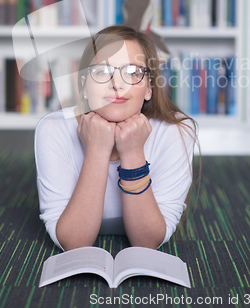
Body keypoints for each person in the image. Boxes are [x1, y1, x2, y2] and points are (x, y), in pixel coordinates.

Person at [34, 25, 199, 252]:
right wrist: (97, 151)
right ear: (83, 86)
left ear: (149, 88)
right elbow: (74, 242)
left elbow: (147, 242)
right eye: (102, 71)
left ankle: (138, 27)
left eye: (132, 72)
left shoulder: (176, 130)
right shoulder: (53, 129)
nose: (116, 84)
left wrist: (132, 153)